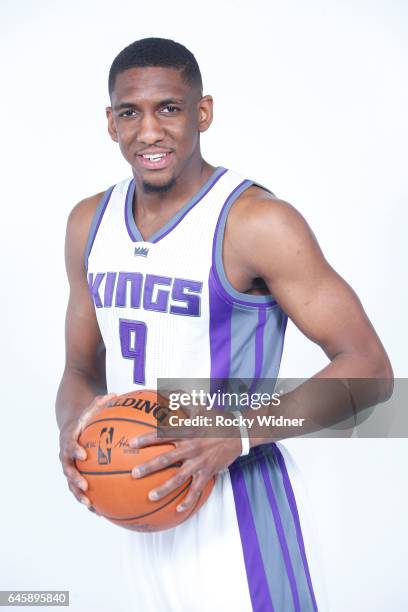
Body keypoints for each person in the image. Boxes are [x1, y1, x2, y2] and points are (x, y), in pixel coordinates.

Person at [56, 37, 393, 612]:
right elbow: (81, 368)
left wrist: (233, 433)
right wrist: (73, 430)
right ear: (111, 123)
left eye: (169, 108)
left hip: (240, 514)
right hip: (139, 514)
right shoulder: (89, 222)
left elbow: (372, 374)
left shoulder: (257, 221)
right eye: (130, 113)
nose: (150, 132)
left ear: (202, 112)